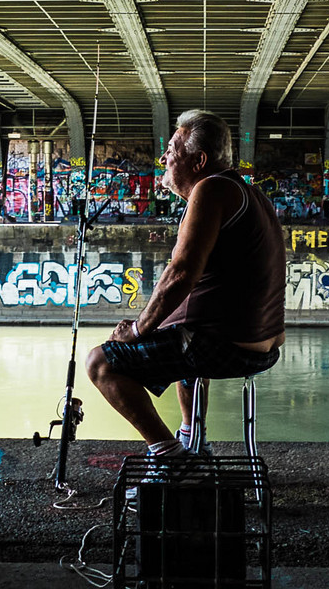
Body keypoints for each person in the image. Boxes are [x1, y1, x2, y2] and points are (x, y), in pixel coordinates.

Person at [85, 109, 285, 465]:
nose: (163, 158)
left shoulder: (212, 189)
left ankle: (171, 459)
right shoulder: (250, 195)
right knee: (181, 339)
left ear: (199, 160)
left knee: (101, 363)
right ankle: (193, 441)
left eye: (173, 150)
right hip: (261, 344)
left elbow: (181, 273)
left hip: (229, 345)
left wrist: (137, 328)